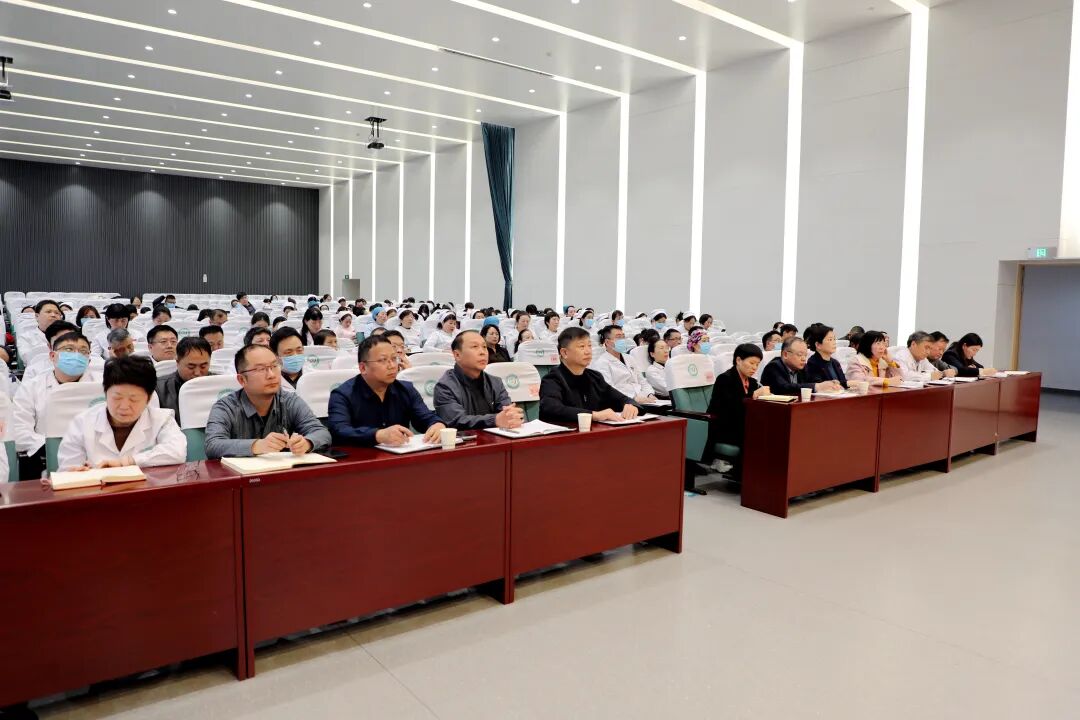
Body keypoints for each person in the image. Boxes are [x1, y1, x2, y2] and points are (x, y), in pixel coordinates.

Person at [58, 356, 187, 470]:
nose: (124, 407)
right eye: (117, 398)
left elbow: (177, 452)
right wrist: (76, 472)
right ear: (105, 393)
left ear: (148, 399)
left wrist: (129, 461)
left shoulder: (162, 419)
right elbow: (68, 467)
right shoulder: (82, 422)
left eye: (134, 399)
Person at [204, 344, 331, 459]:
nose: (271, 375)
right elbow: (213, 445)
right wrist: (257, 445)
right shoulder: (225, 407)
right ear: (242, 380)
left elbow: (321, 432)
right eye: (260, 369)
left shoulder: (290, 401)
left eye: (274, 366)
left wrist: (307, 443)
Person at [11, 330, 102, 479]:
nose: (76, 355)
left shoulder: (103, 383)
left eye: (83, 351)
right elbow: (18, 428)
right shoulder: (32, 387)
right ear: (52, 356)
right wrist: (52, 447)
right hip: (46, 458)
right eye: (69, 349)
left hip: (99, 457)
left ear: (89, 358)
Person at [327, 335, 446, 446]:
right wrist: (378, 435)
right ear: (363, 368)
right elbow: (339, 431)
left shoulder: (406, 389)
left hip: (400, 455)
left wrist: (437, 424)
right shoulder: (342, 395)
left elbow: (425, 418)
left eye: (394, 359)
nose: (392, 366)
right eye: (383, 360)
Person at [540, 327, 640, 423]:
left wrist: (630, 405)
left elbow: (621, 398)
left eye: (589, 346)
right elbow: (551, 409)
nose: (588, 351)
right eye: (582, 347)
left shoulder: (595, 377)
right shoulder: (552, 379)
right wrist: (594, 415)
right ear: (564, 352)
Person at [705, 343, 771, 480]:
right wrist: (754, 395)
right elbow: (731, 408)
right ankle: (744, 476)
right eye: (751, 363)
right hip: (724, 427)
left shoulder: (752, 382)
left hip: (742, 425)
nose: (754, 368)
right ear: (739, 360)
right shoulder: (725, 379)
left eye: (757, 364)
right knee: (755, 435)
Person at [433, 330, 523, 430]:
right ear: (457, 355)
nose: (482, 352)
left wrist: (512, 416)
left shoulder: (495, 383)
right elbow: (456, 421)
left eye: (484, 347)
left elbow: (506, 413)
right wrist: (494, 420)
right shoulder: (445, 387)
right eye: (475, 347)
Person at [590, 325, 657, 404]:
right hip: (623, 402)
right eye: (618, 337)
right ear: (607, 342)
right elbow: (609, 389)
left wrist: (650, 394)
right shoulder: (601, 363)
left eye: (623, 337)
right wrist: (633, 398)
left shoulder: (629, 358)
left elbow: (642, 380)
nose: (622, 340)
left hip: (643, 398)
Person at [155, 337, 212, 423]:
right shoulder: (158, 388)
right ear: (177, 362)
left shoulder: (219, 384)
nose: (197, 373)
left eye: (203, 366)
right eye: (191, 367)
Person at [761, 337, 843, 396]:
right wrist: (817, 386)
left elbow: (813, 380)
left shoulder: (802, 367)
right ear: (785, 354)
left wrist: (828, 384)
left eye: (805, 355)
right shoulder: (773, 366)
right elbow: (784, 387)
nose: (804, 359)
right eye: (800, 355)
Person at [16, 299, 64, 365]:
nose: (53, 315)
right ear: (37, 316)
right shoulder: (25, 337)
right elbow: (28, 359)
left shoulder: (68, 335)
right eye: (48, 312)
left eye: (57, 313)